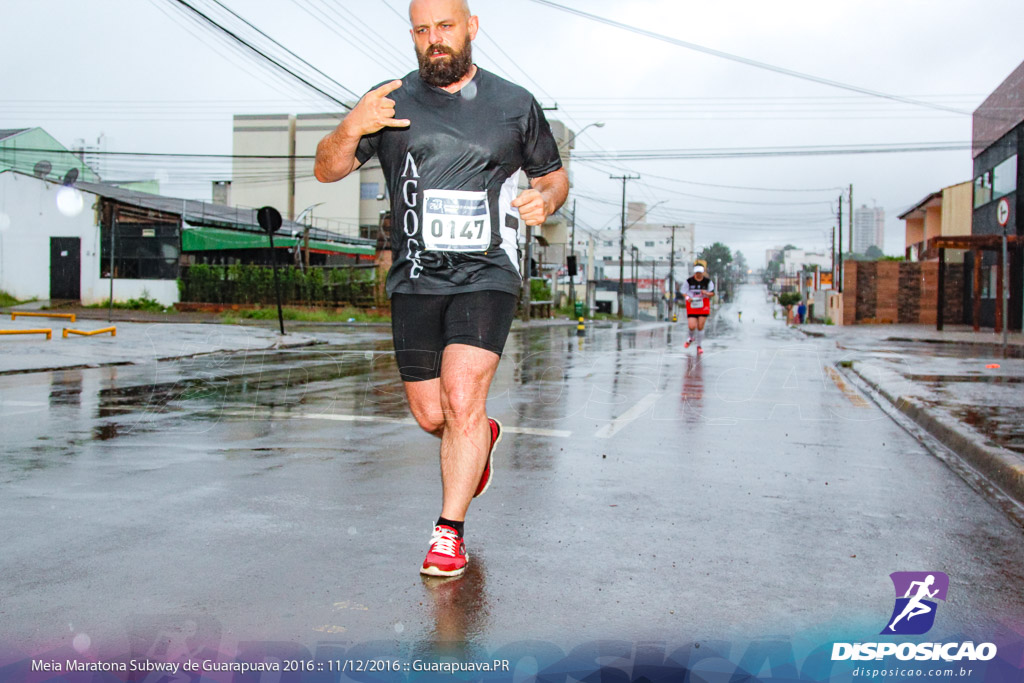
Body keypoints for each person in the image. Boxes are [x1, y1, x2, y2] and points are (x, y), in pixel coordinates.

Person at [314, 0, 569, 578]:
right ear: (412, 34)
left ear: (471, 28)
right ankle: (479, 437)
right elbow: (326, 170)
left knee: (461, 397)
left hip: (488, 271)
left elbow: (552, 177)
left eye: (445, 27)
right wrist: (353, 125)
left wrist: (546, 198)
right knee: (433, 415)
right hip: (415, 278)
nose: (435, 40)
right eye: (423, 30)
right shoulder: (389, 102)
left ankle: (448, 533)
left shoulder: (514, 104)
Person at [683, 262, 715, 355]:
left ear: (703, 272)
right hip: (692, 305)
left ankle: (699, 345)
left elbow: (712, 293)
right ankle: (691, 337)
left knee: (700, 326)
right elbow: (684, 292)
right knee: (691, 326)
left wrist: (706, 293)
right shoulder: (689, 281)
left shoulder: (708, 282)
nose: (698, 274)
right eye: (697, 272)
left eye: (700, 273)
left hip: (703, 305)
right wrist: (688, 298)